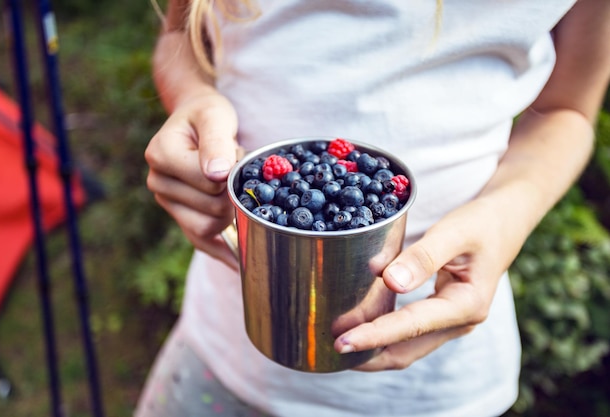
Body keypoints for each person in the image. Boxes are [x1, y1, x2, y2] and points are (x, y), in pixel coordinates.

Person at [137, 0, 610, 416]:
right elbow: (179, 36)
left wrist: (507, 215)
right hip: (228, 348)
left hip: (435, 384)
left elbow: (569, 107)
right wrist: (194, 101)